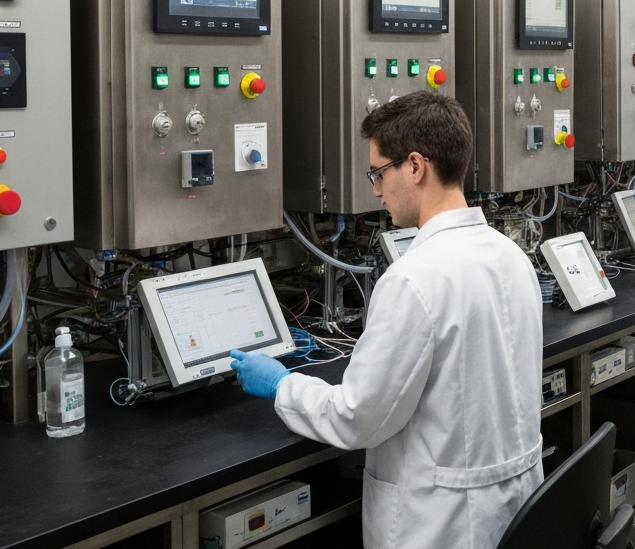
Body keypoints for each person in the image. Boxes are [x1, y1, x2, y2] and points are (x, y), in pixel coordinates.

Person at [230, 91, 544, 549]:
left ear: (415, 167)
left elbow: (358, 418)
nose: (375, 189)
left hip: (443, 523)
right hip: (515, 507)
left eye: (378, 172)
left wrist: (282, 386)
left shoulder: (414, 278)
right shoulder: (510, 254)